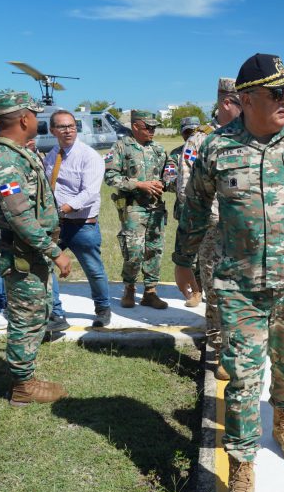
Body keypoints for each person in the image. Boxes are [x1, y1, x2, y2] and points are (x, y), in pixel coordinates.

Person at [172, 53, 284, 492]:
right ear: (245, 100)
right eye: (276, 92)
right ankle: (243, 468)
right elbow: (193, 208)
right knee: (243, 379)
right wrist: (183, 261)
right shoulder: (215, 147)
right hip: (239, 286)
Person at [0, 91, 72, 405]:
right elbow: (19, 215)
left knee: (38, 313)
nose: (38, 120)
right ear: (24, 119)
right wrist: (55, 252)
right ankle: (23, 386)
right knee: (26, 318)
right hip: (22, 253)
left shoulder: (16, 152)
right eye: (35, 115)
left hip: (30, 252)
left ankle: (27, 376)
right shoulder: (4, 159)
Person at [177, 78, 239, 382]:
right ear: (226, 103)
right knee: (216, 294)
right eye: (243, 102)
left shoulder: (246, 136)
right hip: (213, 232)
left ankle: (238, 346)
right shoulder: (199, 141)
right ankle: (220, 351)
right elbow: (187, 192)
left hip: (244, 233)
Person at [45, 109, 111, 328]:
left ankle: (103, 309)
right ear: (52, 130)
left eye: (72, 126)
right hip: (57, 224)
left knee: (93, 269)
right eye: (62, 127)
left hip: (82, 225)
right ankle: (56, 314)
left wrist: (63, 208)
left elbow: (90, 192)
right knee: (45, 264)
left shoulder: (89, 156)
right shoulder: (52, 155)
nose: (68, 131)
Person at [105, 110, 176, 310]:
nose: (152, 131)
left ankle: (150, 293)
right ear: (135, 126)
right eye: (148, 127)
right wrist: (139, 184)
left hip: (156, 209)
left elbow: (168, 174)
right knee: (134, 251)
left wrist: (166, 183)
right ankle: (129, 288)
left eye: (154, 127)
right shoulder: (121, 147)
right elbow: (111, 176)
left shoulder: (159, 149)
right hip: (133, 209)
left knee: (154, 251)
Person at [170, 116, 203, 307]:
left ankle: (204, 288)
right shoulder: (175, 154)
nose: (190, 134)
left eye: (194, 131)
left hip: (206, 209)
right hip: (186, 211)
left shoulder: (206, 147)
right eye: (187, 131)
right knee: (189, 252)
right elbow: (169, 177)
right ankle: (195, 292)